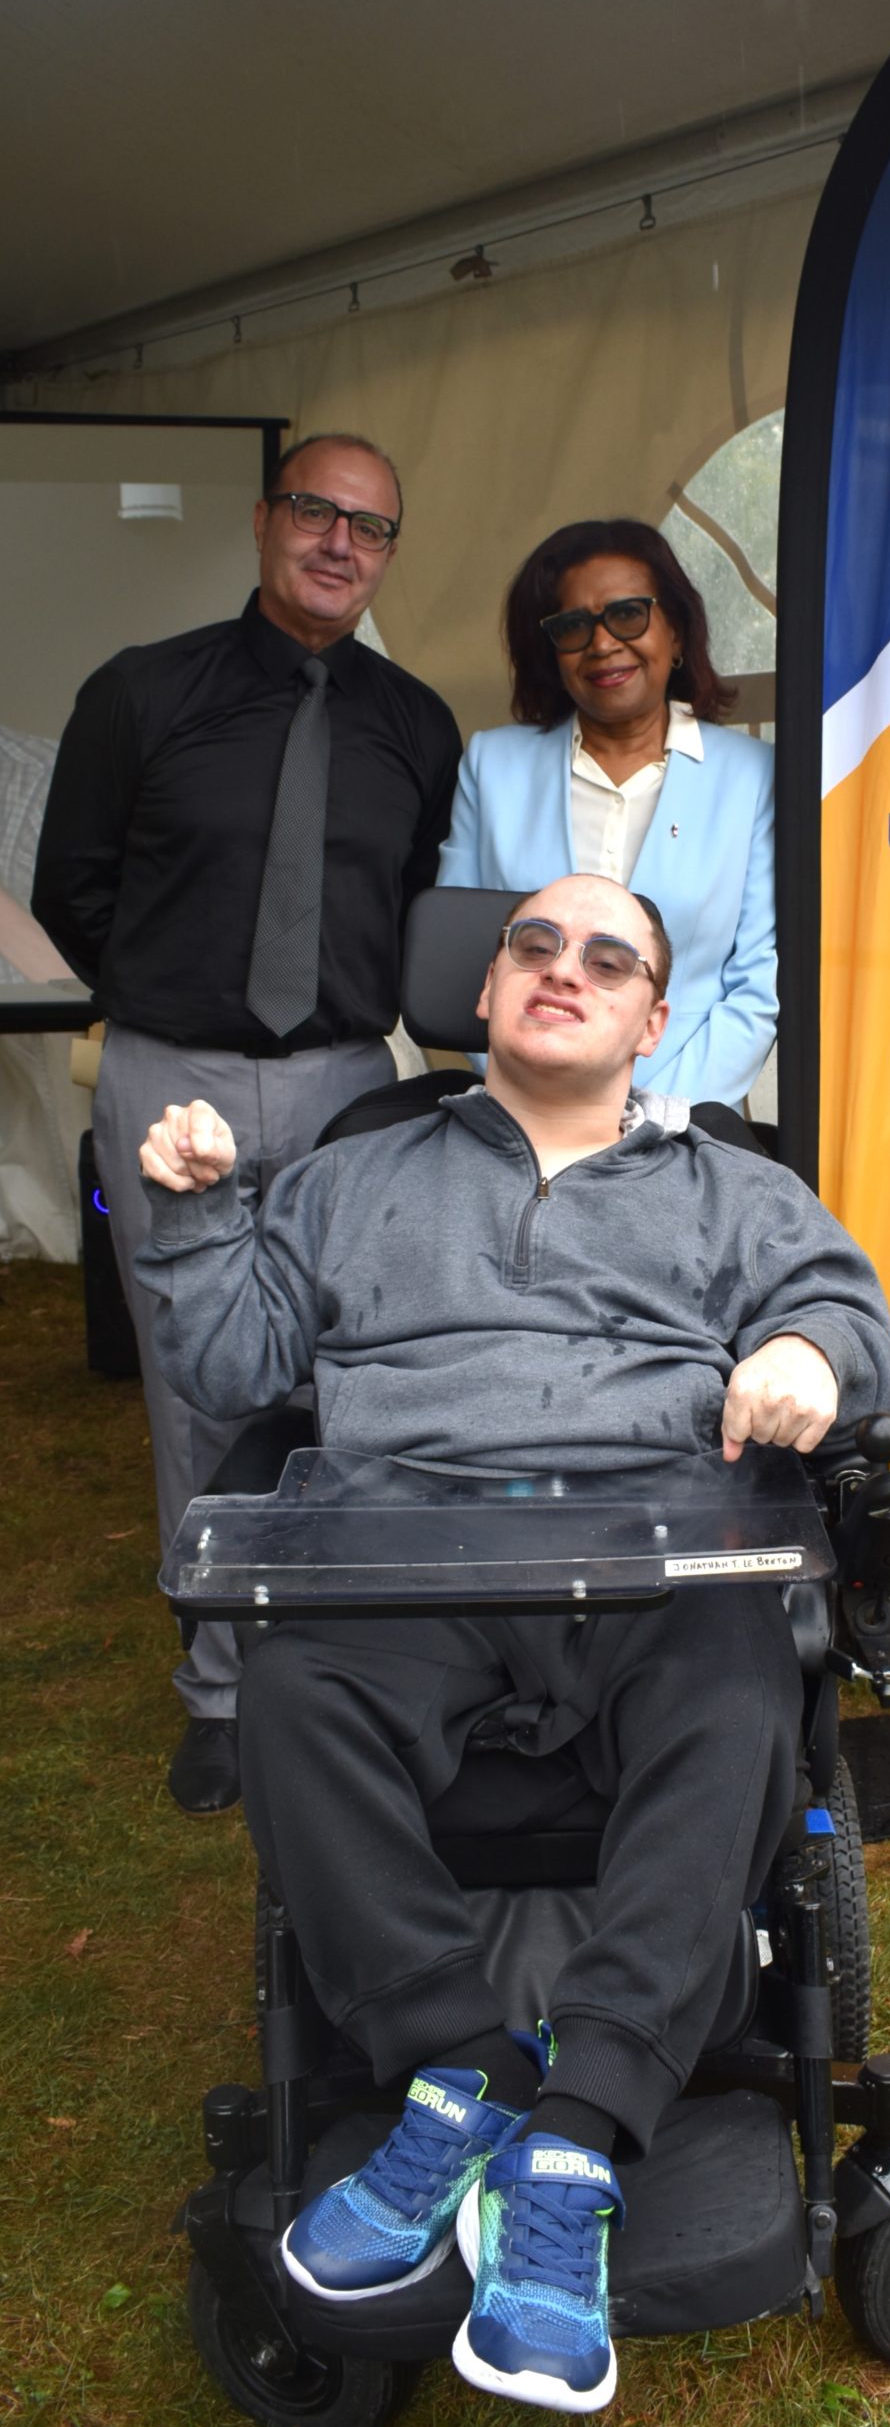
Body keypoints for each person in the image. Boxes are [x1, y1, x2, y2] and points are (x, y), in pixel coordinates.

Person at [131, 872, 890, 2416]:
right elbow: (226, 1361)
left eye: (607, 958)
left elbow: (852, 1325)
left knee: (746, 1687)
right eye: (534, 946)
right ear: (484, 993)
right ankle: (461, 2064)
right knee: (287, 1691)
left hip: (655, 1560)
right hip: (402, 1558)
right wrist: (198, 1211)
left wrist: (812, 1351)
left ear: (650, 1019)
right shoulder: (359, 1173)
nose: (565, 970)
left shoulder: (730, 1192)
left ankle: (583, 2125)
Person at [32, 433, 460, 1815]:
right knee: (197, 1384)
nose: (341, 543)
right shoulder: (140, 694)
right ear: (266, 519)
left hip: (347, 1083)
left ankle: (338, 1664)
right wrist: (178, 999)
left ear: (389, 553)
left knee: (342, 1375)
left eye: (371, 528)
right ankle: (219, 1690)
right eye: (317, 513)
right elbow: (72, 889)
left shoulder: (414, 721)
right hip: (177, 1080)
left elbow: (409, 898)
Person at [437, 517, 775, 1114]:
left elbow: (758, 982)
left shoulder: (753, 777)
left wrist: (652, 1114)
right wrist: (536, 1091)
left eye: (628, 615)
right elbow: (464, 960)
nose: (601, 643)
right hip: (522, 1114)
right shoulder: (492, 767)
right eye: (573, 626)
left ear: (676, 632)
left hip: (690, 1119)